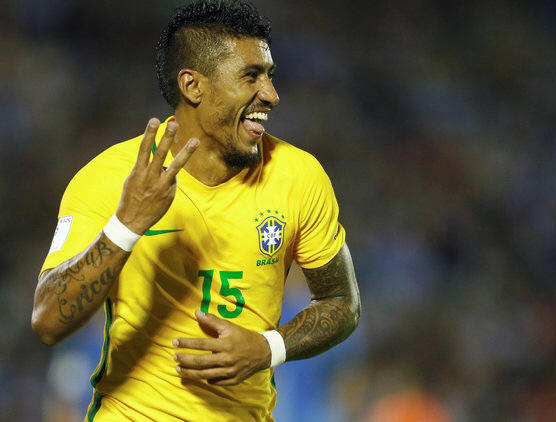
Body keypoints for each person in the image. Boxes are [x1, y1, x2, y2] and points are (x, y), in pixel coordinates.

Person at [31, 1, 361, 420]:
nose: (271, 95)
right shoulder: (112, 178)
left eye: (270, 75)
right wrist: (128, 224)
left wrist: (268, 348)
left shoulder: (298, 176)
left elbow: (341, 301)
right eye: (251, 76)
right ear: (192, 86)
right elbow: (48, 321)